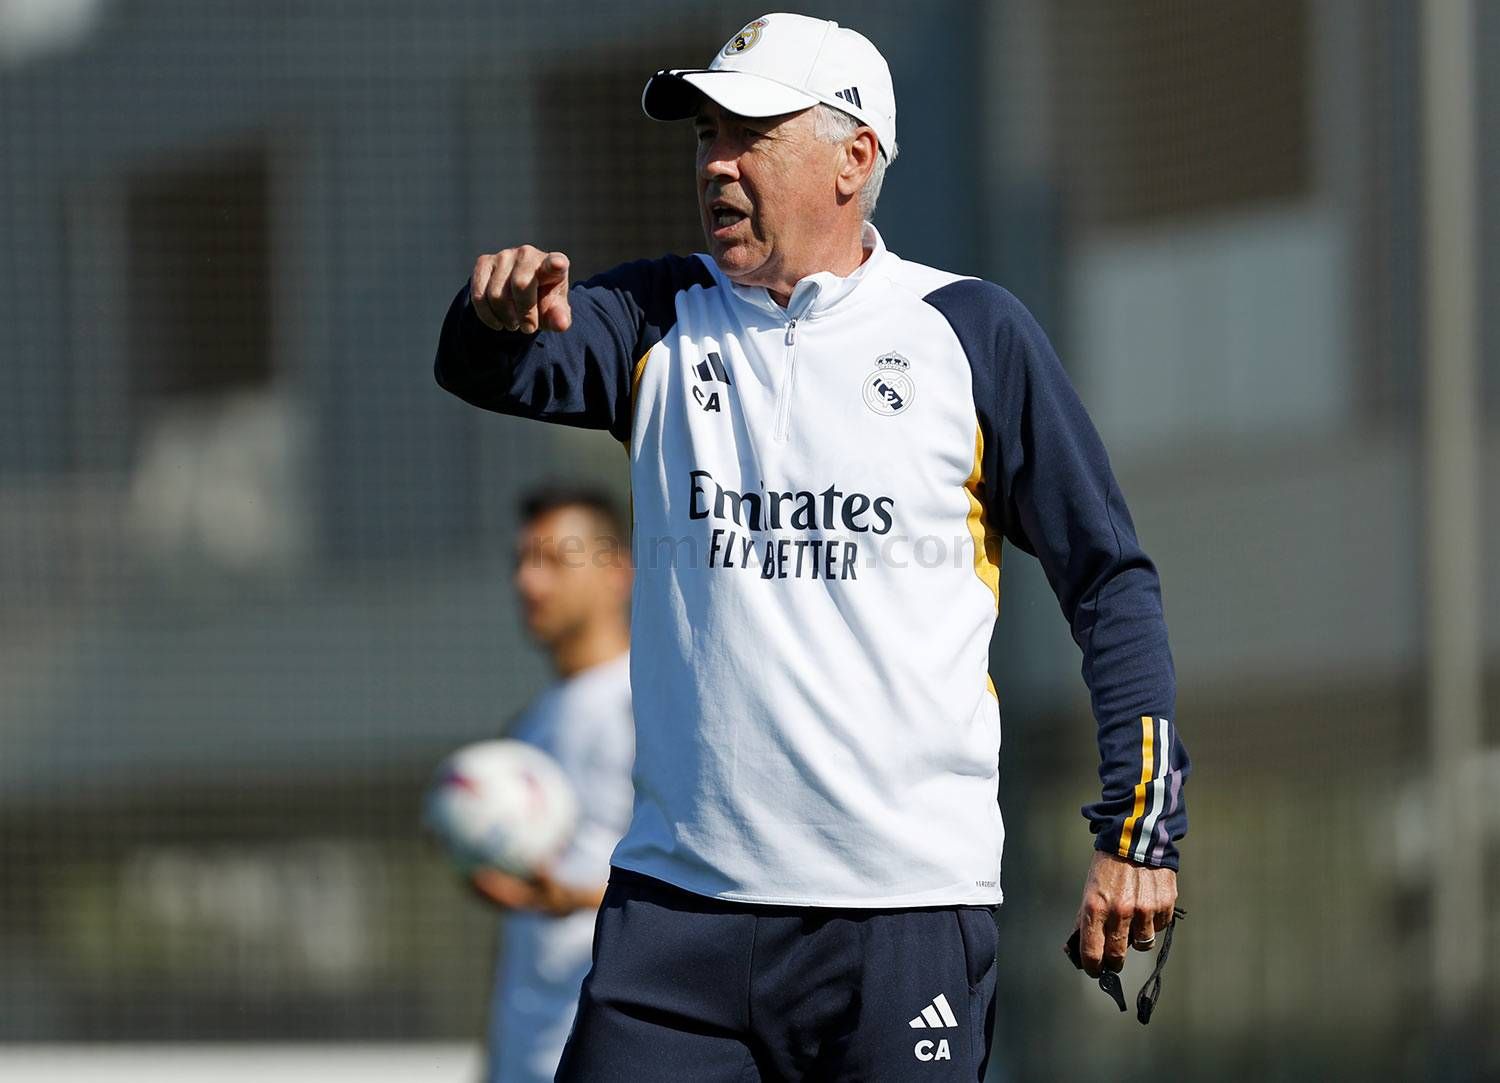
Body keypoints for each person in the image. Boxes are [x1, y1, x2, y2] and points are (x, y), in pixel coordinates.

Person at [435, 12, 1189, 1080]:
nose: (717, 164)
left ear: (855, 156)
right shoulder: (658, 316)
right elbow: (488, 370)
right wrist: (493, 317)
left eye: (751, 134)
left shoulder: (969, 334)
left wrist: (1138, 832)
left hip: (901, 921)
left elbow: (1111, 583)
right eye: (705, 137)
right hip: (676, 922)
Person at [468, 488, 634, 1083]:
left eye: (554, 561)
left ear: (618, 571)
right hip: (525, 1058)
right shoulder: (531, 724)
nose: (528, 583)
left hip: (614, 1052)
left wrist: (570, 899)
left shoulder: (648, 705)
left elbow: (705, 880)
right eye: (521, 561)